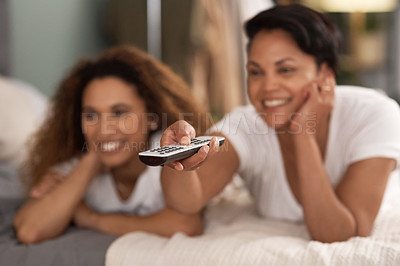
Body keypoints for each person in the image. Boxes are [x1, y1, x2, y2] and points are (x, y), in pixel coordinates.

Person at [160, 4, 400, 243]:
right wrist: (181, 160)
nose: (267, 87)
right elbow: (186, 201)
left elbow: (338, 234)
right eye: (256, 72)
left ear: (325, 75)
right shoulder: (243, 125)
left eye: (285, 70)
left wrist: (303, 134)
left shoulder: (375, 114)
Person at [13, 45, 208, 244]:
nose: (104, 130)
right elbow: (30, 231)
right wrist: (92, 163)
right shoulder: (80, 165)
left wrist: (92, 218)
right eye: (91, 115)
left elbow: (186, 225)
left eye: (119, 112)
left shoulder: (167, 150)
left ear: (152, 117)